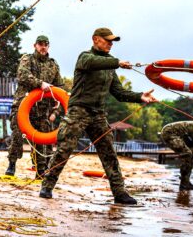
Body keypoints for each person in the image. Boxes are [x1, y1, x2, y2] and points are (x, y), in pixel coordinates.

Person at [39, 27, 155, 205]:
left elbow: (119, 93)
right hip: (78, 111)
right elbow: (94, 62)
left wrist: (140, 97)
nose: (110, 44)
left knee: (109, 152)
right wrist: (117, 62)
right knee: (64, 150)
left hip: (98, 114)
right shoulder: (85, 57)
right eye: (107, 40)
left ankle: (120, 193)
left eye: (112, 41)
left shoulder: (110, 66)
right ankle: (47, 186)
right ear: (95, 39)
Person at [5, 35, 65, 178]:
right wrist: (40, 84)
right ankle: (12, 164)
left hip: (42, 110)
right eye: (40, 44)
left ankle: (41, 170)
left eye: (45, 44)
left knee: (42, 140)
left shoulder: (53, 65)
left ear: (48, 46)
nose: (43, 46)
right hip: (23, 107)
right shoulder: (27, 59)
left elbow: (59, 86)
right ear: (35, 45)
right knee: (17, 136)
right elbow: (23, 75)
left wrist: (56, 108)